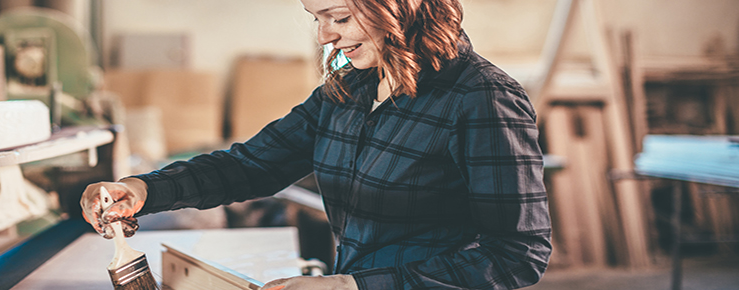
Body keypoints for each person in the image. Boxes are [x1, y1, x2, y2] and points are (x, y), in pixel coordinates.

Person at [81, 0, 552, 289]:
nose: (326, 35)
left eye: (340, 17)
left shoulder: (482, 98)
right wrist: (144, 190)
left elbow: (516, 255)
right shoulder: (351, 88)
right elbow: (253, 164)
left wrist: (352, 286)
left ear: (399, 5)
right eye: (317, 18)